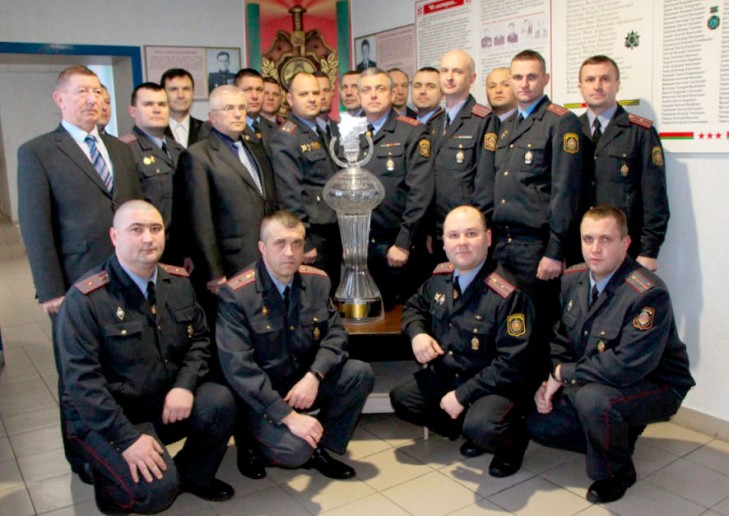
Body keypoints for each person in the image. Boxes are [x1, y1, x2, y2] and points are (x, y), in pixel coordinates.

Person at [56, 200, 236, 513]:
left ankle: (191, 475)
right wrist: (126, 439)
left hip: (161, 403)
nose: (148, 238)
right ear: (114, 236)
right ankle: (109, 482)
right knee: (155, 494)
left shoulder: (178, 282)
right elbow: (83, 384)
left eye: (155, 229)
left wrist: (184, 386)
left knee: (220, 401)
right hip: (107, 418)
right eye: (136, 230)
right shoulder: (86, 299)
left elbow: (199, 340)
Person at [17, 65, 141, 481]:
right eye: (81, 91)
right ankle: (81, 454)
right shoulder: (38, 152)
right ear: (60, 99)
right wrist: (50, 289)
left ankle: (119, 441)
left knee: (118, 361)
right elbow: (36, 225)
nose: (92, 99)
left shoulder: (120, 149)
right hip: (73, 280)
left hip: (123, 277)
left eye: (98, 91)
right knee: (77, 371)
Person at [526, 205, 695, 504]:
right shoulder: (573, 279)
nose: (595, 249)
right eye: (588, 239)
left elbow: (627, 365)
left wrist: (563, 374)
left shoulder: (647, 293)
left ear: (625, 243)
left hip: (657, 384)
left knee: (594, 400)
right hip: (600, 379)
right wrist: (550, 379)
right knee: (539, 424)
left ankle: (617, 473)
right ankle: (616, 434)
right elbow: (562, 339)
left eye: (605, 239)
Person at [216, 211, 374, 480]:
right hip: (260, 396)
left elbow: (336, 335)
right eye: (280, 243)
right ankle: (250, 440)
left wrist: (315, 375)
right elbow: (239, 368)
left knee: (359, 373)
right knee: (295, 452)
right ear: (262, 247)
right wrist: (288, 417)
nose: (290, 253)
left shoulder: (317, 281)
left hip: (301, 384)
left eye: (297, 243)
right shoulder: (237, 294)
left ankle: (318, 445)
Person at [390, 206, 536, 477]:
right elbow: (413, 307)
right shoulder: (440, 277)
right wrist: (417, 333)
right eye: (454, 235)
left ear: (488, 238)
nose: (462, 243)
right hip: (451, 373)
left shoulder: (508, 293)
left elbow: (512, 363)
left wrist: (463, 395)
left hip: (493, 384)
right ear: (444, 242)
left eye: (471, 234)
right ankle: (468, 430)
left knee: (483, 425)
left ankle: (512, 443)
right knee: (402, 399)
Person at [486, 49, 583, 345]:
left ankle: (541, 377)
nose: (524, 84)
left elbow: (566, 191)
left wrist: (555, 250)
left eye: (531, 76)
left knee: (537, 327)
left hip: (536, 247)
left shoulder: (561, 122)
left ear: (546, 79)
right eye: (517, 77)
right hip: (503, 244)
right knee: (507, 323)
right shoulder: (506, 126)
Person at [175, 85, 276, 313]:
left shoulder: (256, 148)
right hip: (230, 263)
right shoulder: (197, 156)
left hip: (264, 255)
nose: (237, 114)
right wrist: (213, 272)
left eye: (241, 107)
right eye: (229, 108)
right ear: (212, 117)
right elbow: (199, 220)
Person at [577, 55, 669, 270]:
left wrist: (649, 250)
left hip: (625, 247)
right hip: (580, 246)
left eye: (605, 79)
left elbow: (655, 197)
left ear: (617, 84)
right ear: (580, 87)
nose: (597, 86)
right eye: (590, 80)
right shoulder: (569, 130)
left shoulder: (640, 132)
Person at [358, 67, 434, 307]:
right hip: (359, 246)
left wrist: (403, 242)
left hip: (396, 246)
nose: (373, 95)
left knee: (402, 316)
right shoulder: (348, 133)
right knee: (365, 316)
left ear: (392, 94)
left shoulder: (411, 131)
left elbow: (420, 191)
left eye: (380, 89)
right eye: (366, 90)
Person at [269, 72, 342, 290]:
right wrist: (304, 240)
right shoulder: (287, 137)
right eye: (304, 94)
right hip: (313, 234)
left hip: (332, 229)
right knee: (314, 295)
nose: (312, 99)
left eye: (316, 93)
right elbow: (289, 195)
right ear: (290, 99)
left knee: (331, 292)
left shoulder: (321, 131)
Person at [429, 50, 493, 262]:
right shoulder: (434, 123)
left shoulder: (483, 120)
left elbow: (485, 182)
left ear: (472, 78)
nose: (449, 77)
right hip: (439, 231)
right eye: (444, 71)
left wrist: (474, 229)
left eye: (457, 71)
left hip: (466, 234)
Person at [120, 82, 184, 252]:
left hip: (181, 247)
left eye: (162, 104)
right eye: (148, 104)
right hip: (148, 246)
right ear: (132, 111)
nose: (157, 110)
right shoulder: (124, 150)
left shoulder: (179, 150)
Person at [161, 68, 209, 148]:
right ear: (162, 93)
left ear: (193, 92)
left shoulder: (207, 130)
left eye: (186, 89)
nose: (181, 95)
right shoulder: (154, 130)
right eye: (174, 89)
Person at [234, 68, 278, 155]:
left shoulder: (276, 129)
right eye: (248, 90)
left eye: (259, 90)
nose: (255, 96)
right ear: (235, 93)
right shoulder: (227, 128)